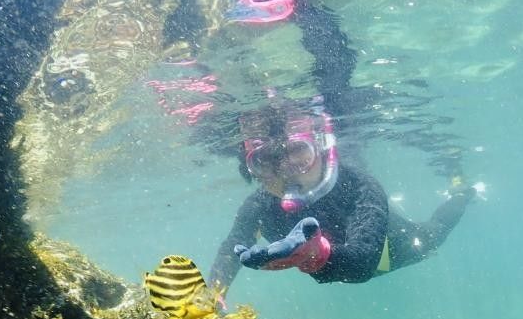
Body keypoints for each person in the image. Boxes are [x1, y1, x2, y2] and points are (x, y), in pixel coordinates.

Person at [208, 96, 485, 291]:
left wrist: (319, 255)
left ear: (322, 148)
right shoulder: (257, 206)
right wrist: (213, 298)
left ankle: (461, 193)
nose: (285, 171)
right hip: (345, 264)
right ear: (251, 168)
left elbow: (363, 263)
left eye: (297, 152)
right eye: (265, 160)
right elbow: (231, 249)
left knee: (432, 237)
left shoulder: (358, 185)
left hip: (395, 250)